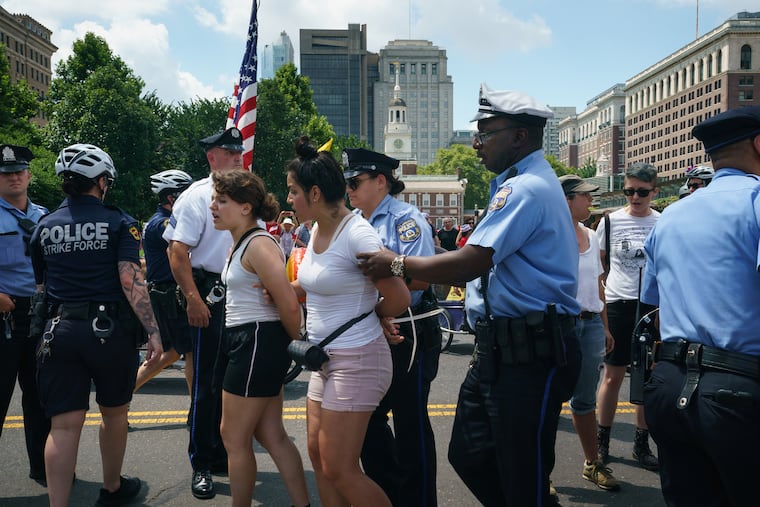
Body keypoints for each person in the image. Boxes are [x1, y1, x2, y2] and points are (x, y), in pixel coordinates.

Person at [358, 83, 581, 506]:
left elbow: (472, 263)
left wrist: (398, 263)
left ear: (518, 137)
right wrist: (429, 256)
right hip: (501, 347)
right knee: (469, 454)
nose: (475, 142)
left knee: (522, 475)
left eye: (485, 131)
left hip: (530, 351)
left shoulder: (525, 188)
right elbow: (469, 257)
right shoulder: (514, 183)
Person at [29, 143, 163, 506]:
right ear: (101, 181)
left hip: (58, 331)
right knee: (115, 413)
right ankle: (112, 488)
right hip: (108, 331)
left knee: (63, 425)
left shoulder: (43, 227)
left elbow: (42, 287)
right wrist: (152, 330)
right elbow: (129, 277)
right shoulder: (119, 222)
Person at [641, 106, 760, 506]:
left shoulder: (670, 216)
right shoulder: (757, 200)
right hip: (740, 388)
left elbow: (653, 304)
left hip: (670, 383)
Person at [285, 137, 410, 507]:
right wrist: (269, 286)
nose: (289, 200)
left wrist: (374, 315)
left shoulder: (357, 233)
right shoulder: (313, 231)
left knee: (340, 467)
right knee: (320, 459)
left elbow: (399, 297)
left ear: (316, 192)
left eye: (293, 192)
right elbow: (315, 285)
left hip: (357, 360)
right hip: (325, 360)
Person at [344, 147, 440, 506]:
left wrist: (391, 268)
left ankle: (419, 501)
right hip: (372, 326)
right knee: (365, 421)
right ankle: (392, 493)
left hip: (408, 328)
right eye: (347, 183)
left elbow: (422, 277)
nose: (349, 189)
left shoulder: (406, 220)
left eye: (355, 182)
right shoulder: (352, 221)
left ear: (381, 181)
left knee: (410, 422)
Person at [210, 170, 309, 507]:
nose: (214, 206)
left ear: (245, 206)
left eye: (222, 200)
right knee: (271, 434)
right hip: (249, 340)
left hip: (255, 341)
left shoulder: (259, 243)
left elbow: (287, 301)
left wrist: (301, 347)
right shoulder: (243, 241)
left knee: (233, 437)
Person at [163, 127, 242, 499]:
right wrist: (193, 300)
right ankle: (202, 464)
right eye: (230, 152)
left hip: (243, 295)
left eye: (239, 151)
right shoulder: (196, 197)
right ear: (213, 158)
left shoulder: (246, 193)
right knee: (207, 386)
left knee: (233, 385)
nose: (239, 156)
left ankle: (223, 452)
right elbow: (177, 253)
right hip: (210, 293)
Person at [595, 162, 659, 471]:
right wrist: (604, 313)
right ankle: (602, 440)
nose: (635, 198)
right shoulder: (609, 223)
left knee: (648, 376)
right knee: (612, 374)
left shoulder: (663, 222)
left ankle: (641, 443)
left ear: (654, 192)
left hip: (651, 305)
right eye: (630, 191)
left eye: (642, 192)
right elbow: (599, 266)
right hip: (619, 303)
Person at [557, 175, 619, 492]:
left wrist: (604, 325)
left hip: (591, 322)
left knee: (584, 400)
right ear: (567, 199)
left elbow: (598, 283)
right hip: (561, 325)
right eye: (585, 196)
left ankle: (592, 463)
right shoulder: (550, 236)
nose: (590, 200)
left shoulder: (593, 236)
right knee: (551, 399)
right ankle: (542, 471)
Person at [0, 144, 50, 486]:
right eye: (6, 173)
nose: (14, 176)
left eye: (19, 171)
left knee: (40, 401)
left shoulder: (44, 216)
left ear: (29, 175)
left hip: (39, 320)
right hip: (3, 320)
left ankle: (44, 468)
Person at [134, 169, 194, 394]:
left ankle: (195, 410)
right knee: (176, 352)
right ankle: (120, 400)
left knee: (182, 352)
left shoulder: (157, 221)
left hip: (165, 293)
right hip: (169, 294)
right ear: (172, 198)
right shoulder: (164, 224)